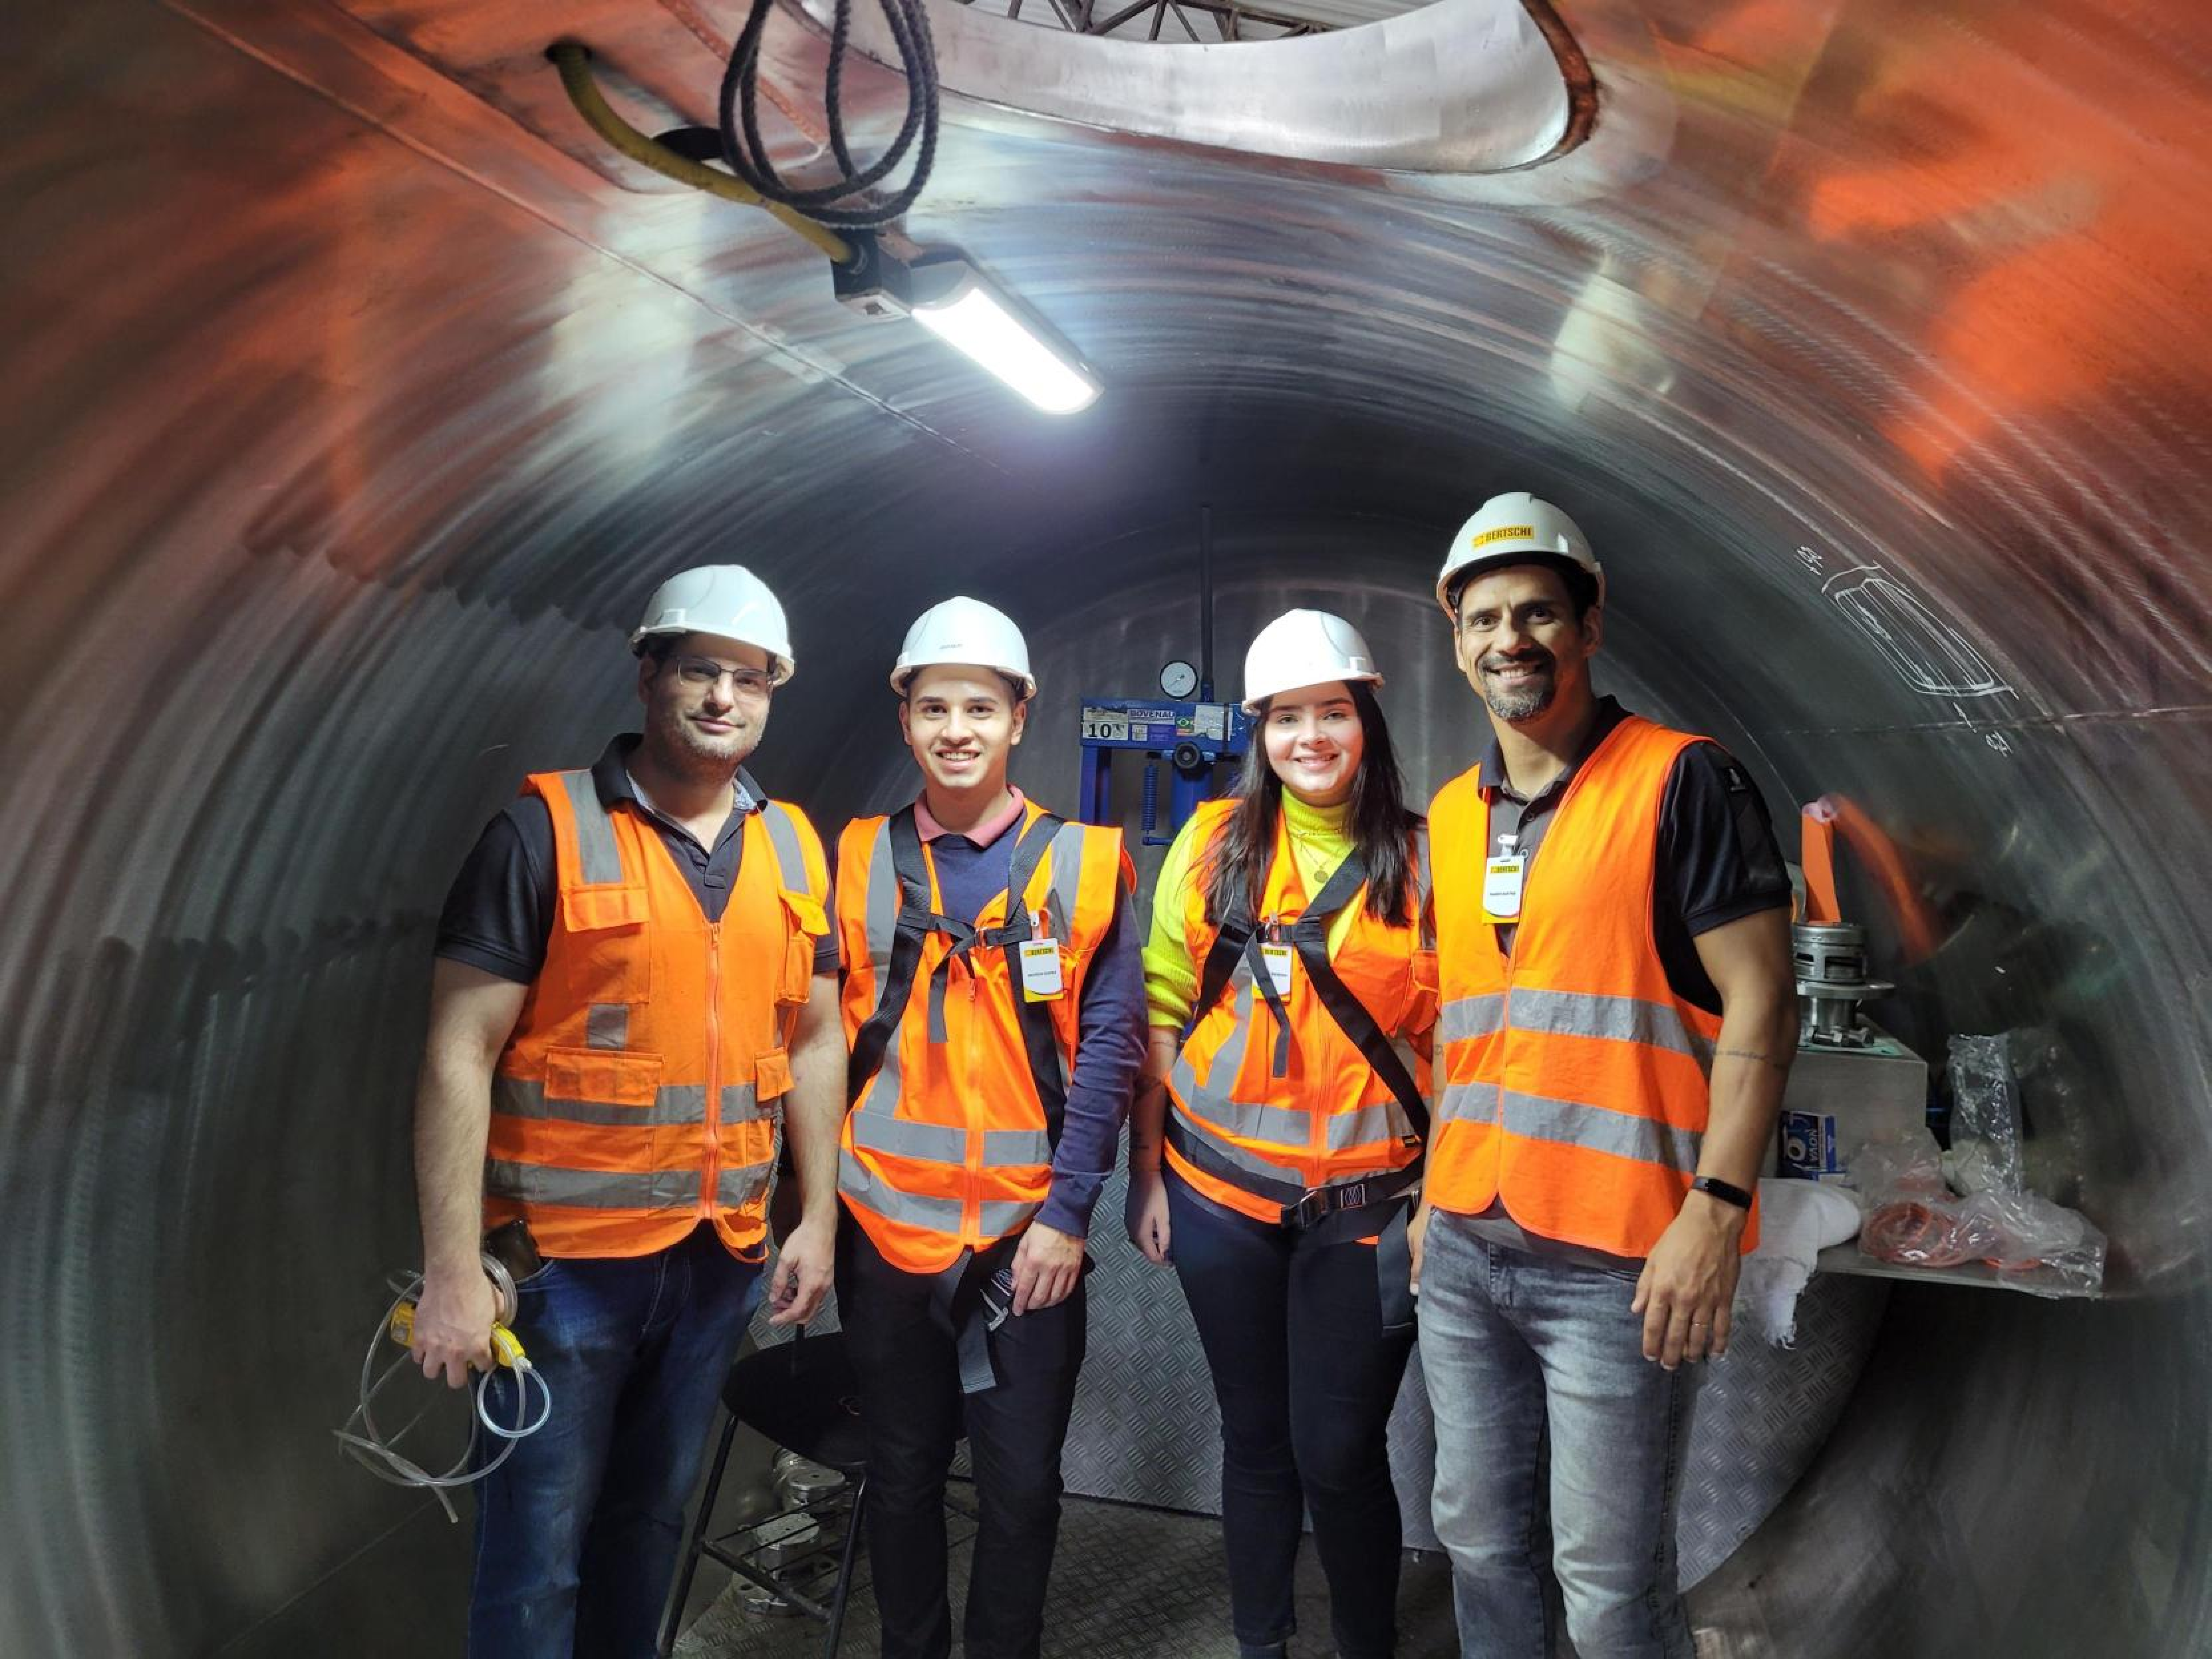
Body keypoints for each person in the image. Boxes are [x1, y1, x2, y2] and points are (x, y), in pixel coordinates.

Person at [408, 565, 848, 1659]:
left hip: (716, 1260)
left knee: (648, 1527)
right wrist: (452, 1270)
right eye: (700, 670)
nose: (724, 698)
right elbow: (459, 1052)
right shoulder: (544, 831)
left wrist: (817, 1217)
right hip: (563, 1272)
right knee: (536, 1559)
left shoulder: (794, 845)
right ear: (649, 675)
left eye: (751, 678)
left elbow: (815, 1039)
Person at [1412, 493, 1798, 1659]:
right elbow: (1470, 1030)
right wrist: (1433, 1201)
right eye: (1484, 620)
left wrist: (1716, 1213)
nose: (1510, 639)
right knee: (1479, 1545)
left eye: (1537, 612)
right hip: (1468, 1249)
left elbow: (1763, 1000)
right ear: (1458, 643)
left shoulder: (1684, 781)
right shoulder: (1452, 815)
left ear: (1588, 626)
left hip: (1621, 1264)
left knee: (1611, 1588)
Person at [833, 596, 1146, 1659]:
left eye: (978, 707)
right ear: (905, 720)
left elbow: (1110, 1049)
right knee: (901, 1479)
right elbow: (813, 1042)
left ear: (1020, 716)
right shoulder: (857, 859)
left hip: (1026, 1247)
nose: (956, 729)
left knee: (1021, 1492)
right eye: (933, 708)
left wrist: (1067, 1216)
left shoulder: (1083, 865)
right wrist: (807, 1216)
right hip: (883, 1237)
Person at [1125, 609, 1437, 1659]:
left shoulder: (1422, 861)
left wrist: (1438, 1204)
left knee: (1340, 1453)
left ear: (1366, 721)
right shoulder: (1212, 844)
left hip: (1369, 1210)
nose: (1311, 737)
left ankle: (1364, 1647)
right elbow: (1162, 1008)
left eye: (1332, 713)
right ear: (1260, 731)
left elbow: (1462, 1046)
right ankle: (1262, 1645)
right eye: (1287, 717)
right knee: (1256, 1441)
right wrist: (1146, 1176)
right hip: (1217, 1199)